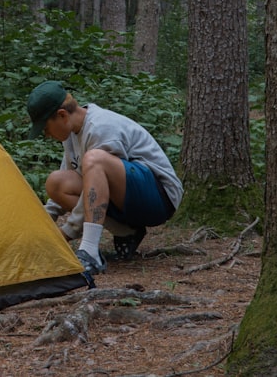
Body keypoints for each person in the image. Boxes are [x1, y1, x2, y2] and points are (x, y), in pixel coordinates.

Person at [27, 80, 183, 283]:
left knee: (94, 159)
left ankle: (90, 252)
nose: (46, 135)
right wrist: (40, 226)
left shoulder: (100, 127)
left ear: (62, 115)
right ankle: (127, 232)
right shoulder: (71, 135)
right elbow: (77, 182)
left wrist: (66, 233)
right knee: (57, 182)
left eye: (46, 128)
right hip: (127, 200)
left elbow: (96, 181)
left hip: (160, 198)